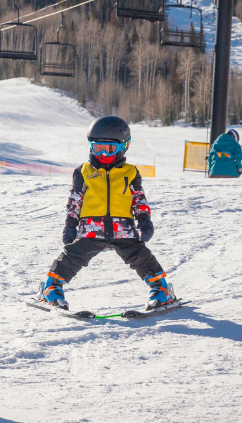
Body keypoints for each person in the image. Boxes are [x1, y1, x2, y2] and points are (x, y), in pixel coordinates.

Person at [37, 116, 175, 311]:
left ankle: (161, 289)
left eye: (109, 149)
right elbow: (75, 200)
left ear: (123, 146)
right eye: (98, 148)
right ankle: (51, 288)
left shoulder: (130, 172)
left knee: (140, 256)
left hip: (123, 229)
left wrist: (144, 221)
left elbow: (138, 199)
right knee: (73, 256)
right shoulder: (83, 172)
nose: (103, 154)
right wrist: (70, 225)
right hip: (91, 229)